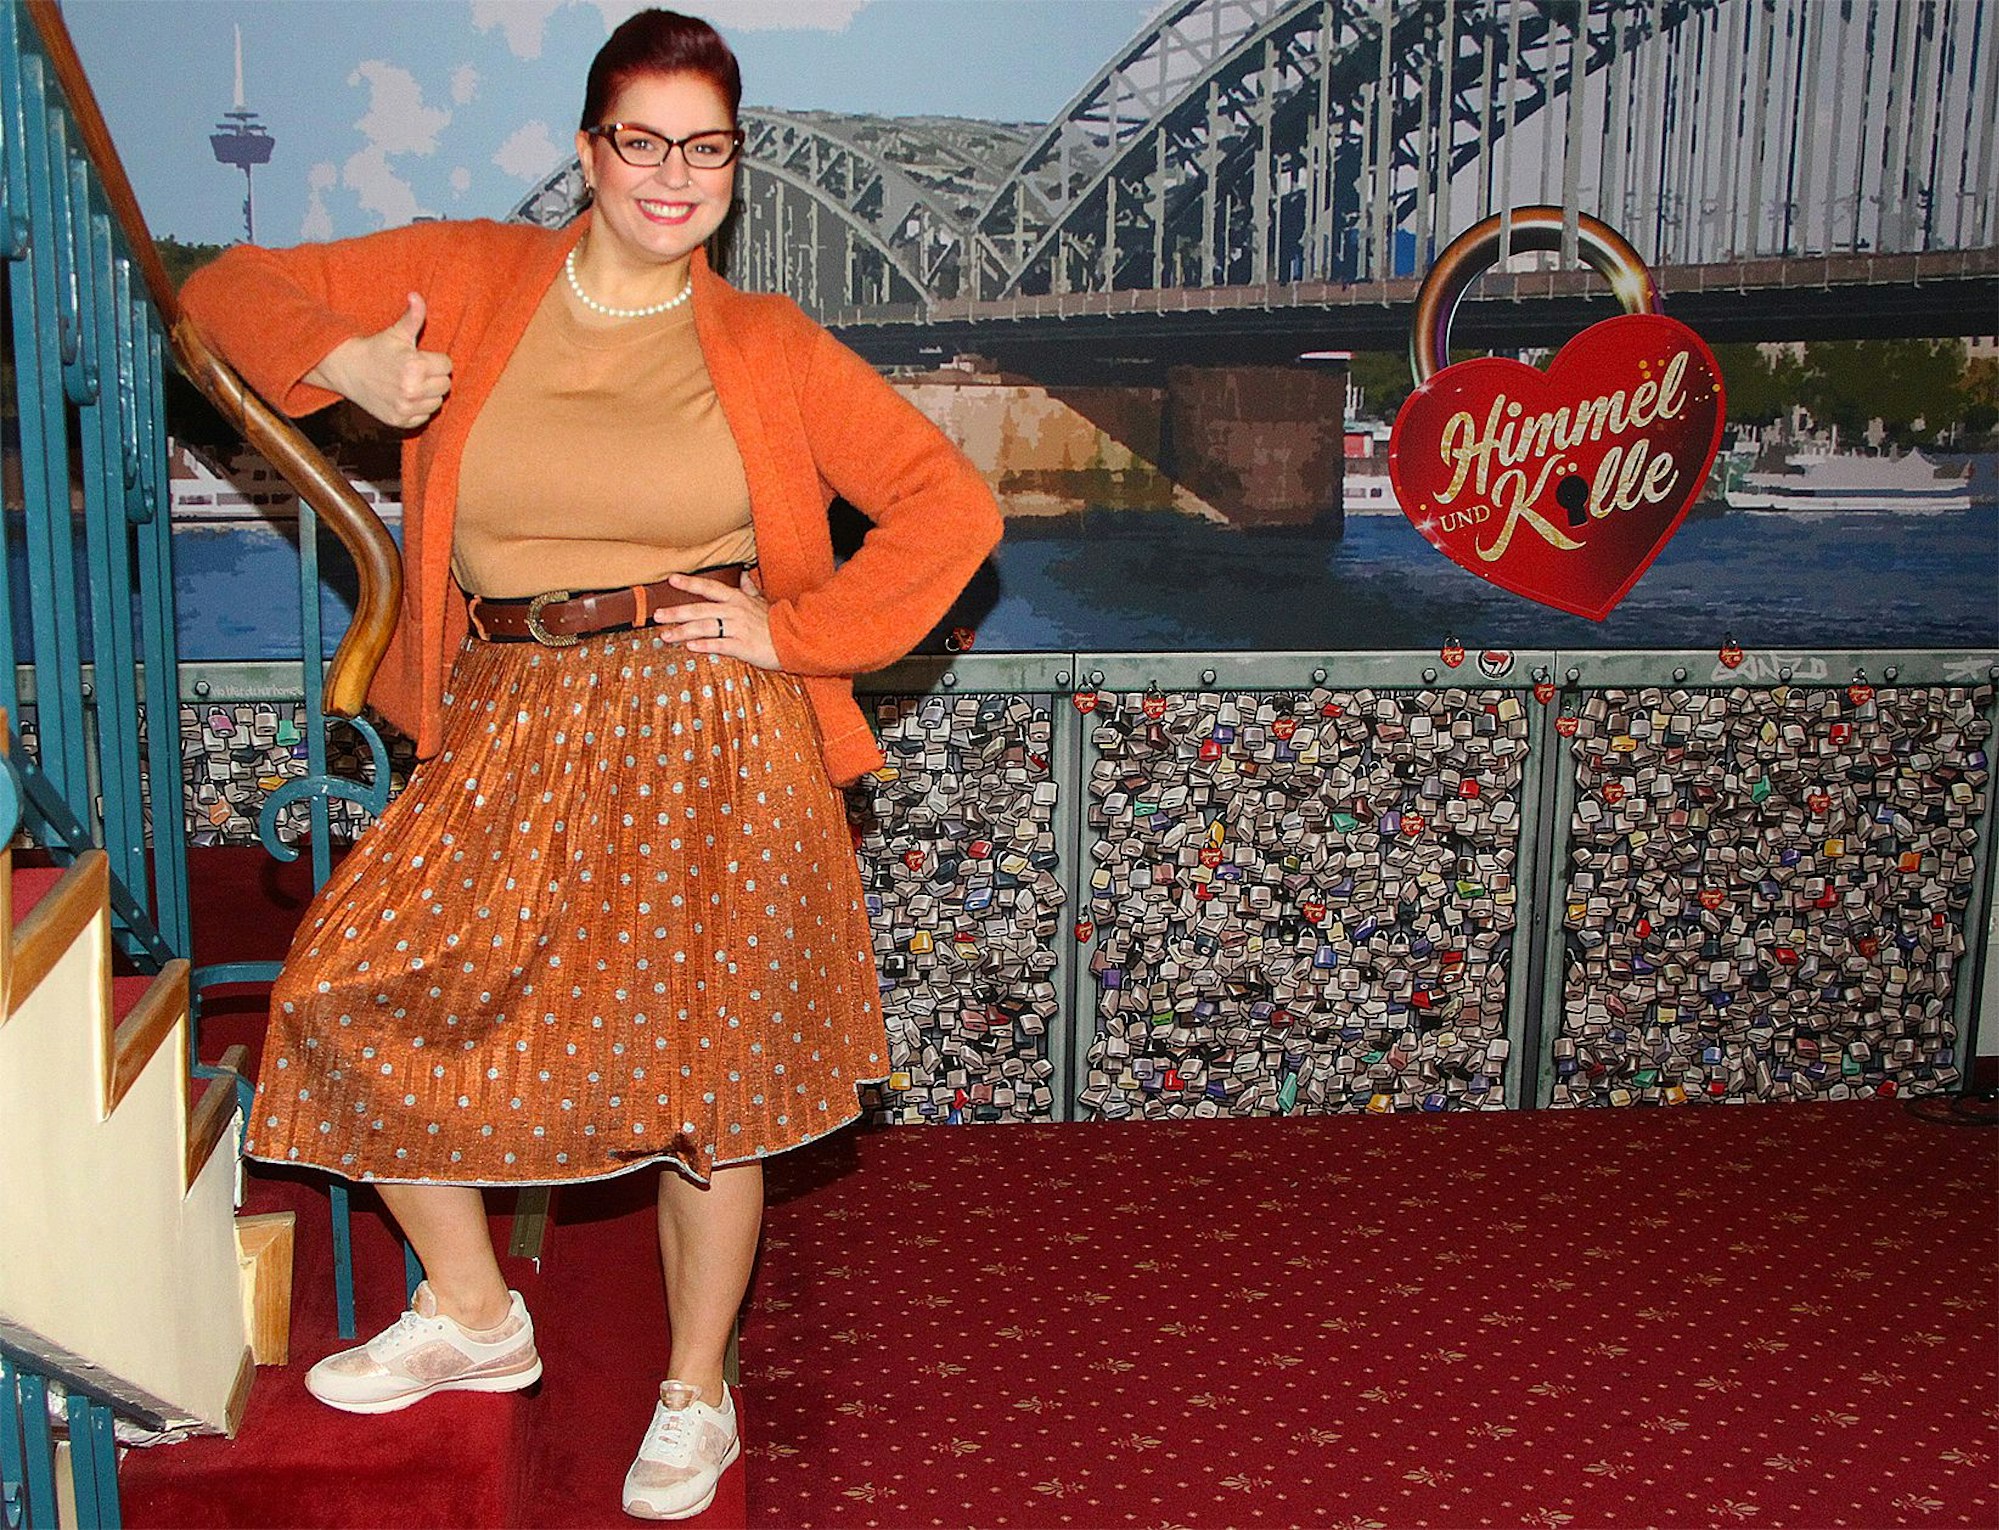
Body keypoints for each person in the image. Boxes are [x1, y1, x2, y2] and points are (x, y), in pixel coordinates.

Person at [180, 9, 1001, 1519]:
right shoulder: (477, 275)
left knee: (712, 1086)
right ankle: (480, 1313)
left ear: (736, 166)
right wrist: (346, 353)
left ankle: (699, 1391)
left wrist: (800, 630)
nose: (672, 175)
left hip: (707, 724)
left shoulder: (765, 344)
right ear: (588, 149)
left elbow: (951, 507)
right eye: (642, 140)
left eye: (706, 147)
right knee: (341, 987)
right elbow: (223, 287)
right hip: (506, 709)